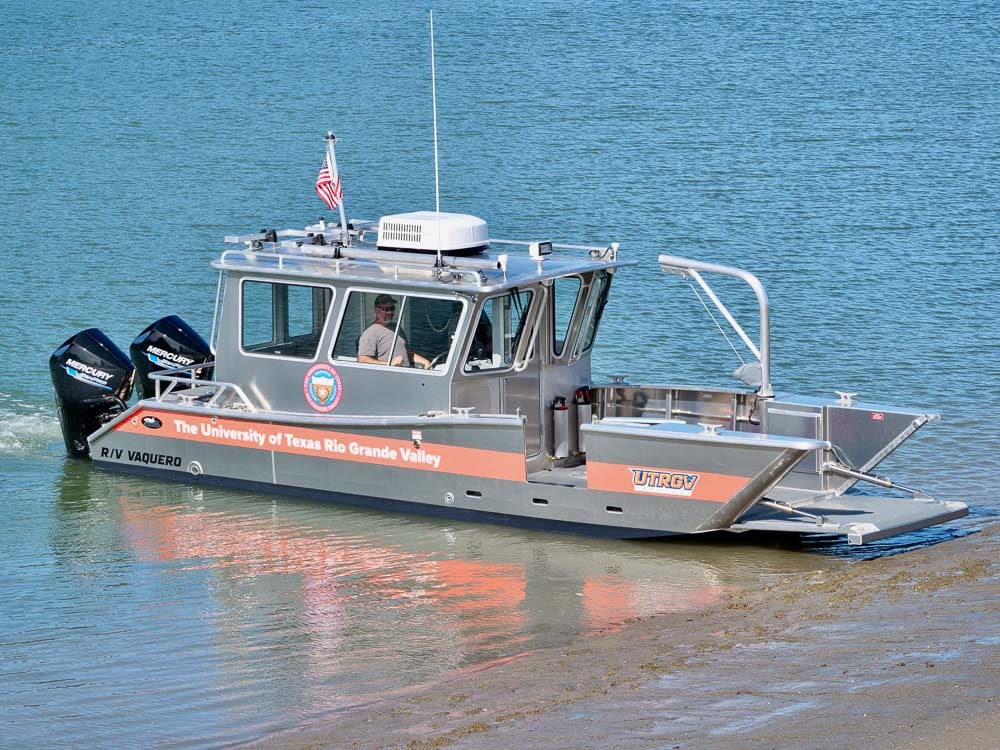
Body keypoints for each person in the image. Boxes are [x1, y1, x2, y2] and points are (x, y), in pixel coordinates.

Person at [357, 294, 431, 368]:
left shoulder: (397, 327)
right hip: (389, 376)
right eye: (386, 309)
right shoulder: (370, 333)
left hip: (406, 374)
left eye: (392, 308)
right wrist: (389, 364)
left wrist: (425, 362)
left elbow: (407, 352)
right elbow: (363, 359)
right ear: (376, 309)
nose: (390, 312)